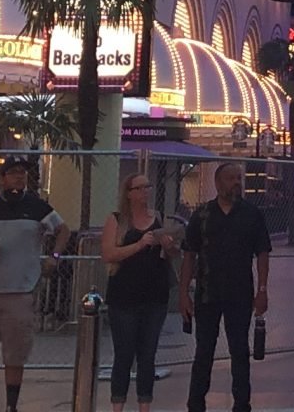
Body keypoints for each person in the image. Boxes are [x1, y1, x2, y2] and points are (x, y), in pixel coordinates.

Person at [0, 156, 63, 412]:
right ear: (3, 177)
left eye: (23, 173)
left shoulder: (38, 207)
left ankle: (11, 405)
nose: (19, 177)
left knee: (15, 352)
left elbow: (63, 230)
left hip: (21, 291)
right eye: (14, 172)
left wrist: (54, 257)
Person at [180, 161, 272, 412]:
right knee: (204, 352)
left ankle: (242, 404)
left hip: (240, 293)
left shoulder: (252, 214)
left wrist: (262, 290)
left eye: (239, 179)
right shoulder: (202, 215)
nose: (236, 183)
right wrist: (183, 293)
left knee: (240, 351)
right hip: (207, 292)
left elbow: (263, 252)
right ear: (218, 183)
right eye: (231, 178)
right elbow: (189, 254)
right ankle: (196, 404)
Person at [103, 171, 174, 412]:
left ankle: (145, 405)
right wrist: (139, 244)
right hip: (124, 296)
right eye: (140, 188)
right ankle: (118, 405)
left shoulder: (159, 218)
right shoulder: (117, 220)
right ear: (129, 193)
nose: (146, 192)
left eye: (148, 187)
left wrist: (168, 246)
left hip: (155, 295)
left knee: (148, 355)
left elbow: (169, 257)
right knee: (124, 355)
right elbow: (109, 254)